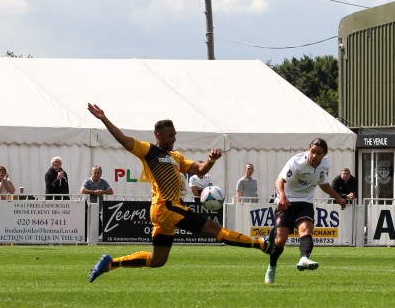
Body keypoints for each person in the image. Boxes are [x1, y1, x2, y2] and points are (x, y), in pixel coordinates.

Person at [86, 103, 270, 283]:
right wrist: (104, 119)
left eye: (175, 134)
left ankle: (110, 263)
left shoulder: (176, 157)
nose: (174, 138)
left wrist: (211, 160)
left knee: (157, 261)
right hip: (167, 207)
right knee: (214, 229)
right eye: (170, 135)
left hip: (165, 210)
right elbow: (123, 139)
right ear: (158, 135)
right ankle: (262, 244)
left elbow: (200, 170)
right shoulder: (149, 150)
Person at [264, 138, 346, 284]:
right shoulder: (296, 162)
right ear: (309, 149)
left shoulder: (325, 164)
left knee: (306, 230)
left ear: (324, 154)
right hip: (287, 202)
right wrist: (282, 196)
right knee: (280, 241)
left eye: (318, 153)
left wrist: (338, 197)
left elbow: (323, 183)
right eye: (312, 151)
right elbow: (279, 180)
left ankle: (304, 258)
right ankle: (272, 266)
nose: (314, 155)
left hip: (305, 202)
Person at [80, 166, 114, 234]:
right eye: (94, 173)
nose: (96, 174)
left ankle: (92, 241)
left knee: (99, 229)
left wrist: (102, 191)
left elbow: (111, 191)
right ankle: (84, 242)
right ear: (91, 173)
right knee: (84, 226)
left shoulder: (103, 182)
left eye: (98, 173)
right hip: (86, 208)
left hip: (97, 209)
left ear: (101, 174)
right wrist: (95, 192)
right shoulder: (87, 181)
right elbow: (82, 191)